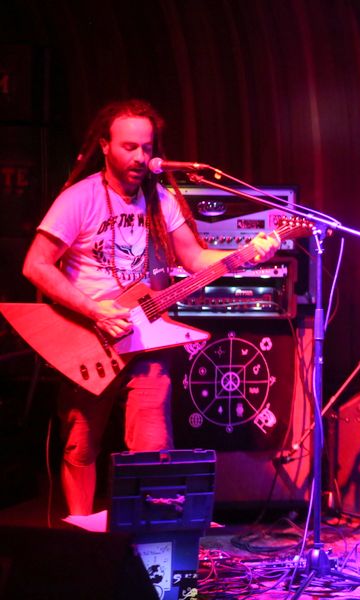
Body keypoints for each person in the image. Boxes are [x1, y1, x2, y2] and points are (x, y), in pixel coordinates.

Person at [22, 99, 281, 516]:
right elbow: (35, 265)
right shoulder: (79, 199)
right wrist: (94, 311)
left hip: (147, 340)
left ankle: (147, 542)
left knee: (153, 446)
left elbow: (194, 259)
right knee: (80, 446)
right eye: (129, 147)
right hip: (88, 338)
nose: (140, 158)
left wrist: (247, 254)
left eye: (146, 148)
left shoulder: (161, 199)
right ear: (104, 146)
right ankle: (80, 539)